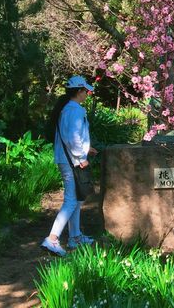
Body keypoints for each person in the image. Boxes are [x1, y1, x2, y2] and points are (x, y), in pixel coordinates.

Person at [41, 75, 98, 256]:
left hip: (65, 158)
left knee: (77, 199)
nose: (87, 94)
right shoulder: (75, 110)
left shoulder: (66, 108)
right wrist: (82, 157)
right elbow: (72, 137)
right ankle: (52, 239)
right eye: (85, 91)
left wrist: (86, 149)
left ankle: (75, 237)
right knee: (71, 200)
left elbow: (68, 136)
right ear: (79, 91)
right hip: (72, 161)